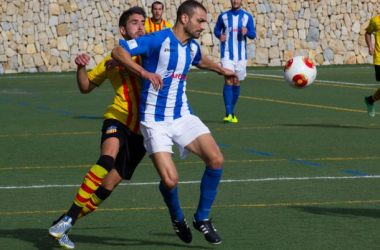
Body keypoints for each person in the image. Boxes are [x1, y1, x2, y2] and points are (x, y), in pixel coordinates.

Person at [111, 0, 238, 245]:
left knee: (216, 159)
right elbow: (119, 51)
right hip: (154, 121)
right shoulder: (159, 39)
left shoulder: (191, 47)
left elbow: (199, 60)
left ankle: (202, 218)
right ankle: (177, 218)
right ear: (184, 19)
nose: (204, 26)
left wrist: (223, 71)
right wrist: (144, 73)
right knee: (170, 180)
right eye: (200, 20)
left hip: (182, 115)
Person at [48, 7, 147, 249]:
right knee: (107, 158)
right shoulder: (112, 60)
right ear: (123, 30)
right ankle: (69, 217)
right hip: (118, 117)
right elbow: (86, 87)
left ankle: (63, 223)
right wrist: (81, 68)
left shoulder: (152, 53)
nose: (141, 26)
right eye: (135, 23)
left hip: (143, 131)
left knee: (107, 187)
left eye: (143, 23)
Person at [214, 0, 256, 123]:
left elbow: (253, 34)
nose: (235, 1)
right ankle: (227, 113)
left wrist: (247, 32)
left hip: (241, 57)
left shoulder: (247, 17)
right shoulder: (224, 16)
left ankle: (232, 111)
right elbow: (217, 29)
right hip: (227, 55)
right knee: (228, 79)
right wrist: (219, 36)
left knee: (236, 82)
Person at [364, 14, 380, 118]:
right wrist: (370, 45)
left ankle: (370, 100)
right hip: (379, 59)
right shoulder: (375, 21)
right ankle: (370, 100)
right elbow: (368, 33)